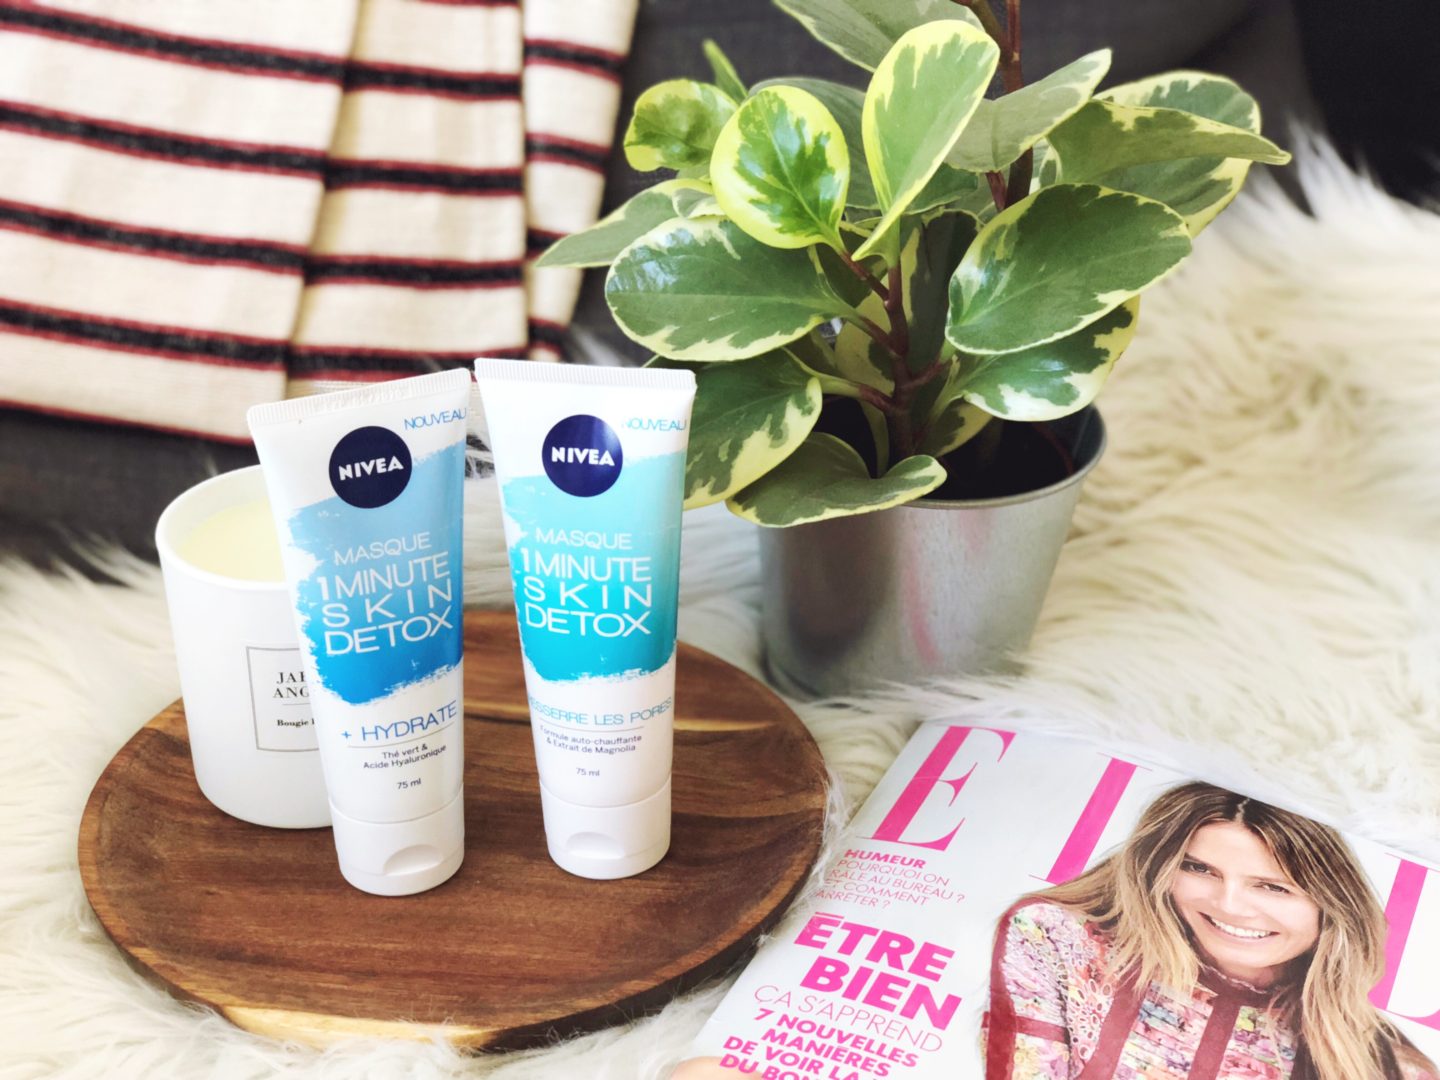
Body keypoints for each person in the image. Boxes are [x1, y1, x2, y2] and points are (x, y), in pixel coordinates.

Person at [986, 782, 1439, 1080]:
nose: (1228, 906)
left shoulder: (1381, 1061)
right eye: (1200, 869)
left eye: (1272, 887)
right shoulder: (1058, 939)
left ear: (1333, 908)